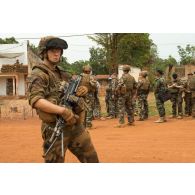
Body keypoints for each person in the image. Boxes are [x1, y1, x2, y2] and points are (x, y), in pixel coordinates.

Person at [27, 36, 99, 163]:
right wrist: (62, 111)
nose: (57, 53)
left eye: (59, 50)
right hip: (55, 128)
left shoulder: (62, 73)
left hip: (74, 125)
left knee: (91, 158)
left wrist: (84, 89)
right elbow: (36, 100)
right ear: (44, 52)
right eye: (53, 50)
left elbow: (79, 86)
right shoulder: (39, 74)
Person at [79, 65, 98, 129]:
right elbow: (95, 86)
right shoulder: (91, 77)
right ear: (90, 71)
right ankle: (88, 124)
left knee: (81, 109)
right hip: (89, 95)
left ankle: (82, 124)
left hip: (80, 94)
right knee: (89, 109)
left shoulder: (79, 77)